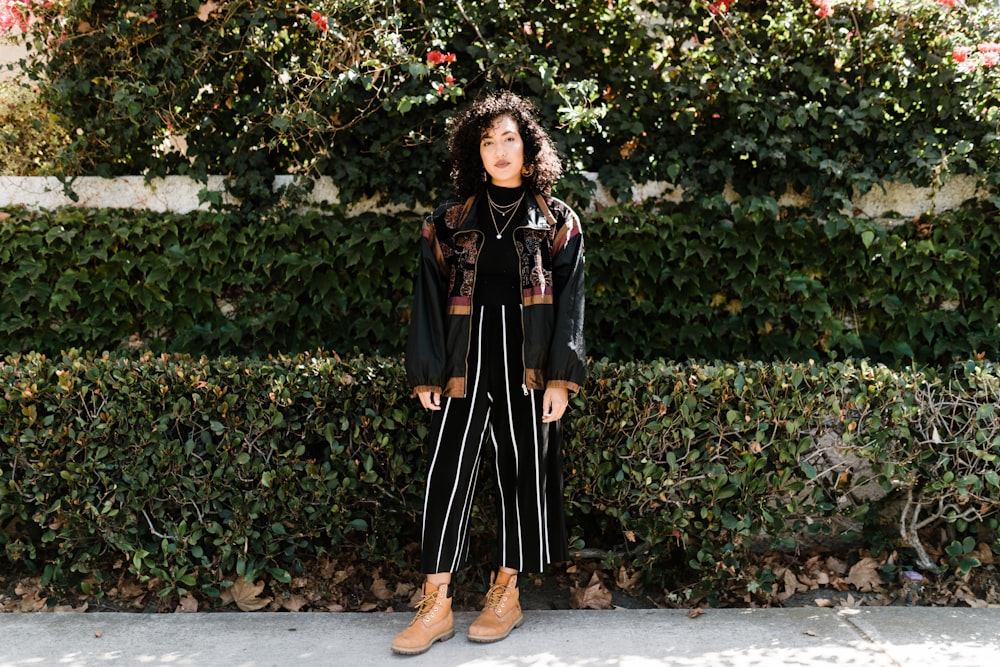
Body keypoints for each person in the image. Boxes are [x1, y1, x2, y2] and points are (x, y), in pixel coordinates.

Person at [391, 90, 586, 656]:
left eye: (508, 138)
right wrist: (426, 372)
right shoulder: (448, 223)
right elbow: (427, 300)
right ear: (473, 152)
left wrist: (559, 378)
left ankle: (506, 592)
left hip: (527, 368)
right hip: (462, 364)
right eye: (487, 140)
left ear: (527, 147)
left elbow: (571, 304)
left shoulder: (556, 220)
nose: (498, 150)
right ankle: (437, 603)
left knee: (521, 474)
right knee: (445, 473)